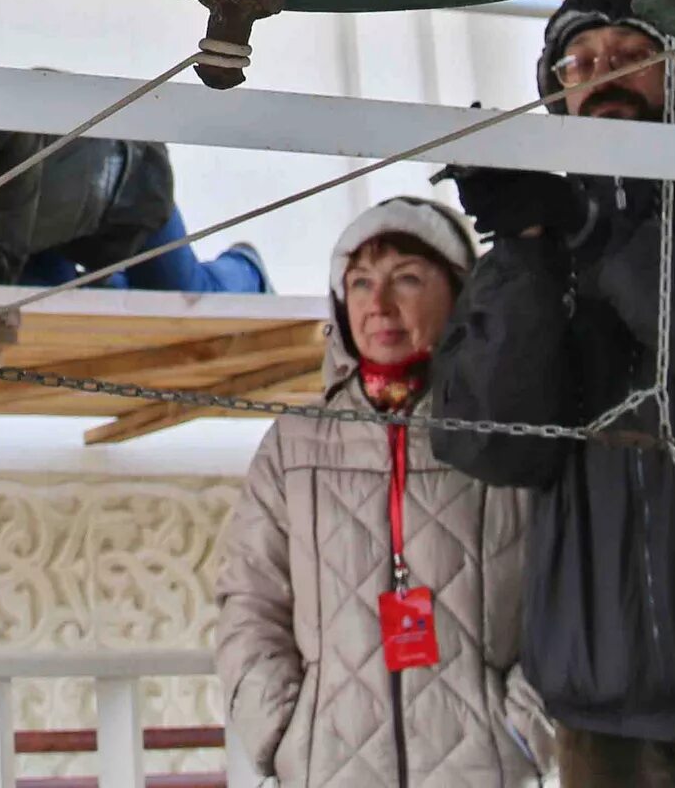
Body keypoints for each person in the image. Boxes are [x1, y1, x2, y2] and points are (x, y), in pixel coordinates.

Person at [429, 0, 675, 788]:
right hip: (597, 712)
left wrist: (608, 236)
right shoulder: (541, 255)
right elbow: (491, 444)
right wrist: (525, 246)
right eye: (577, 62)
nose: (601, 72)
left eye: (629, 55)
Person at [214, 197, 548, 787]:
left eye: (408, 279)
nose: (380, 304)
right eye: (361, 282)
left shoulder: (504, 436)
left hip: (482, 769)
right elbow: (249, 598)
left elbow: (561, 591)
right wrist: (283, 733)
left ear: (461, 291)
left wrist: (522, 730)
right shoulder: (296, 447)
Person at [0, 113, 269, 292]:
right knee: (59, 300)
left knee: (187, 295)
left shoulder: (2, 131)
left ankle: (246, 268)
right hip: (28, 234)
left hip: (123, 198)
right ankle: (103, 286)